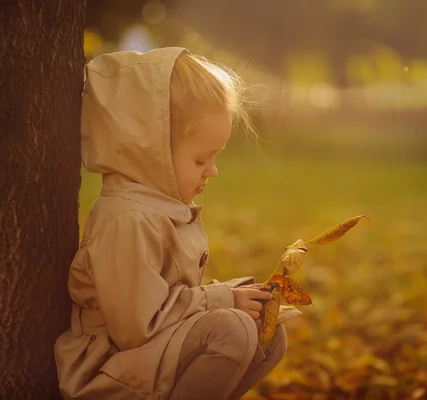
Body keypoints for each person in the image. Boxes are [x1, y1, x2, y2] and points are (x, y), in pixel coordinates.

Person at [54, 47, 287, 400]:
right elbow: (138, 326)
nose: (212, 171)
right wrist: (221, 300)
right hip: (111, 367)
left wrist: (236, 297)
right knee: (233, 331)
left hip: (148, 355)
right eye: (200, 159)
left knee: (267, 333)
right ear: (150, 150)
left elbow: (169, 301)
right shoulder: (128, 219)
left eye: (214, 157)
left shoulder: (160, 209)